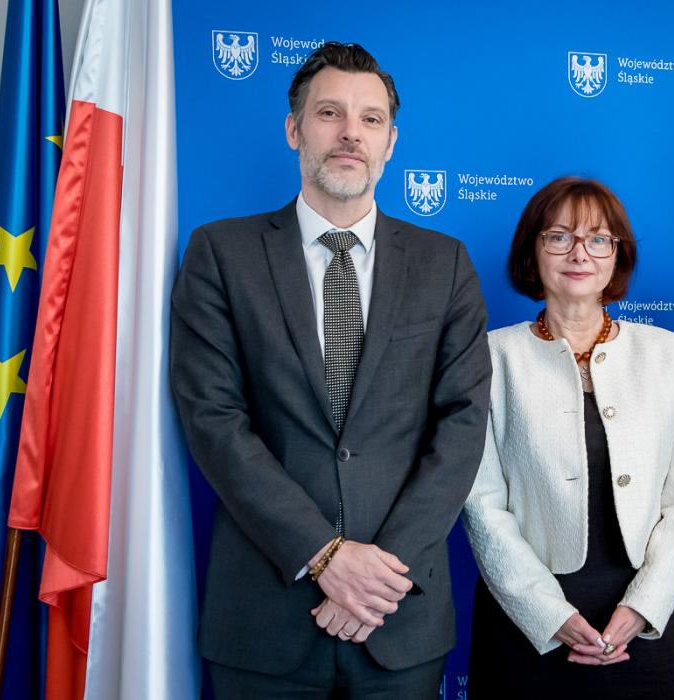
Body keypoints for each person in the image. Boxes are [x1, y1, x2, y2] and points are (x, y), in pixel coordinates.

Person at [170, 43, 491, 697]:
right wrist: (324, 555)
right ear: (294, 129)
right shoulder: (221, 253)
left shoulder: (445, 263)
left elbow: (462, 426)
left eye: (371, 119)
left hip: (398, 617)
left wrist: (378, 578)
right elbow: (214, 420)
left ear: (391, 142)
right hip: (263, 616)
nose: (351, 133)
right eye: (329, 113)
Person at [462, 177, 674, 699]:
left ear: (617, 256)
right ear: (532, 251)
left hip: (642, 622)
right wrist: (548, 614)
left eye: (598, 239)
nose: (580, 253)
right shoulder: (489, 357)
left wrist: (643, 607)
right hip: (525, 625)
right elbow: (481, 503)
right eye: (559, 237)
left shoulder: (669, 354)